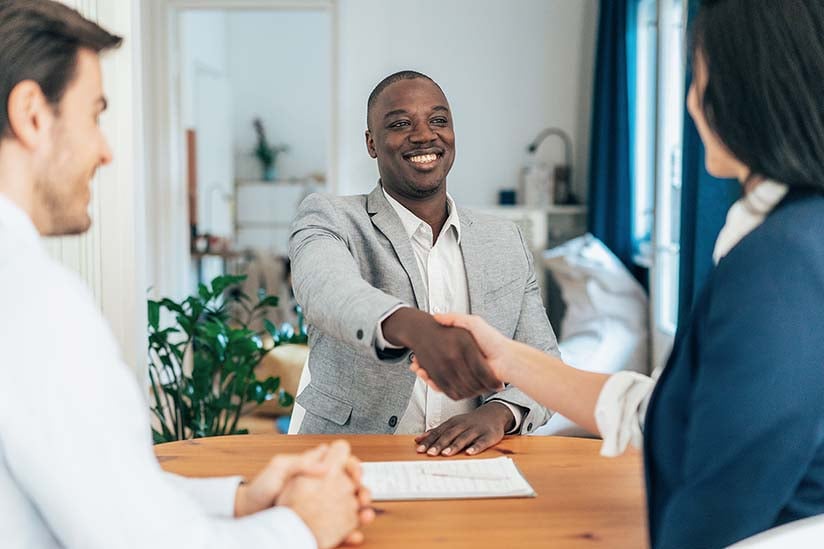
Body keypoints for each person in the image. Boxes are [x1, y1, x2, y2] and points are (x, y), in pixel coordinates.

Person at [412, 0, 824, 547]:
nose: (691, 105)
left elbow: (721, 499)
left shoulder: (780, 263)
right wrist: (505, 356)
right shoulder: (791, 237)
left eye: (698, 80)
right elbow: (670, 410)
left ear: (743, 94)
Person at [0, 2, 372, 548]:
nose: (105, 151)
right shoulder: (36, 304)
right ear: (33, 114)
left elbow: (106, 491)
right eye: (95, 114)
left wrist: (241, 498)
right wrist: (303, 526)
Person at [289, 71, 560, 457]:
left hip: (476, 462)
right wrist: (415, 329)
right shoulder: (332, 216)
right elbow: (325, 287)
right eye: (400, 124)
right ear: (372, 143)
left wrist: (498, 415)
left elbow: (542, 360)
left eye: (438, 120)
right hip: (348, 458)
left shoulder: (504, 238)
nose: (424, 135)